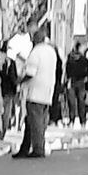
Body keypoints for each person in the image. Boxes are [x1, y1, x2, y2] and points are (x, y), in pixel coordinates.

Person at [14, 26, 57, 160]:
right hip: (48, 89)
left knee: (35, 120)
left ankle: (38, 148)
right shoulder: (51, 51)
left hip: (35, 91)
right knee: (34, 120)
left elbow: (30, 72)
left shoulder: (36, 52)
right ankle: (25, 147)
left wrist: (19, 81)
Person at [0, 43, 20, 140]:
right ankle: (1, 133)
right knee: (6, 114)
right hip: (8, 90)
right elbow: (13, 77)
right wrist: (15, 88)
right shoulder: (10, 61)